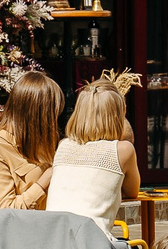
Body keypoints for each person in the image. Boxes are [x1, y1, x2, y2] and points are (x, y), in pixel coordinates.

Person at [45, 77, 141, 238]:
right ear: (118, 116)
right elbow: (132, 191)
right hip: (92, 243)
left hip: (53, 239)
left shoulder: (63, 145)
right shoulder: (123, 150)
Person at [0, 69, 62, 212]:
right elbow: (5, 211)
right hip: (21, 232)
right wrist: (46, 178)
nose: (54, 120)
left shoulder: (42, 139)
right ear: (36, 113)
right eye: (51, 114)